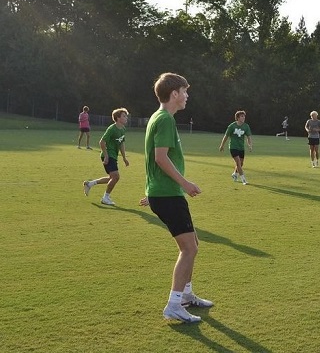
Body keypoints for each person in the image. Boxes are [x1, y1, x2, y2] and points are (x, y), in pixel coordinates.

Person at [140, 72, 213, 323]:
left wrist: (151, 193)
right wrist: (185, 184)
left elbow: (153, 159)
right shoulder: (165, 120)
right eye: (184, 91)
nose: (187, 96)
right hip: (168, 194)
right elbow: (160, 158)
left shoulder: (159, 117)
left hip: (163, 193)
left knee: (193, 244)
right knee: (189, 248)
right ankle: (173, 305)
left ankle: (186, 295)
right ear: (174, 94)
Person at [82, 107, 130, 205]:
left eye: (126, 116)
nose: (126, 118)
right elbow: (102, 142)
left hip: (114, 156)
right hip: (108, 155)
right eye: (124, 116)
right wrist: (106, 156)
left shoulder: (123, 129)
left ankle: (90, 184)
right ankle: (105, 198)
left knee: (112, 178)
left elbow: (121, 143)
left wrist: (124, 157)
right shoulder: (112, 129)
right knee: (116, 177)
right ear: (118, 118)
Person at [219, 110, 253, 185]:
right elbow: (226, 136)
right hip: (233, 147)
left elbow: (249, 137)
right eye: (242, 116)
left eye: (244, 116)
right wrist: (222, 145)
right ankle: (244, 180)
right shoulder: (232, 126)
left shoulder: (246, 126)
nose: (243, 118)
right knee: (238, 163)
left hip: (241, 147)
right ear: (237, 117)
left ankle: (235, 174)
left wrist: (250, 145)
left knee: (241, 163)